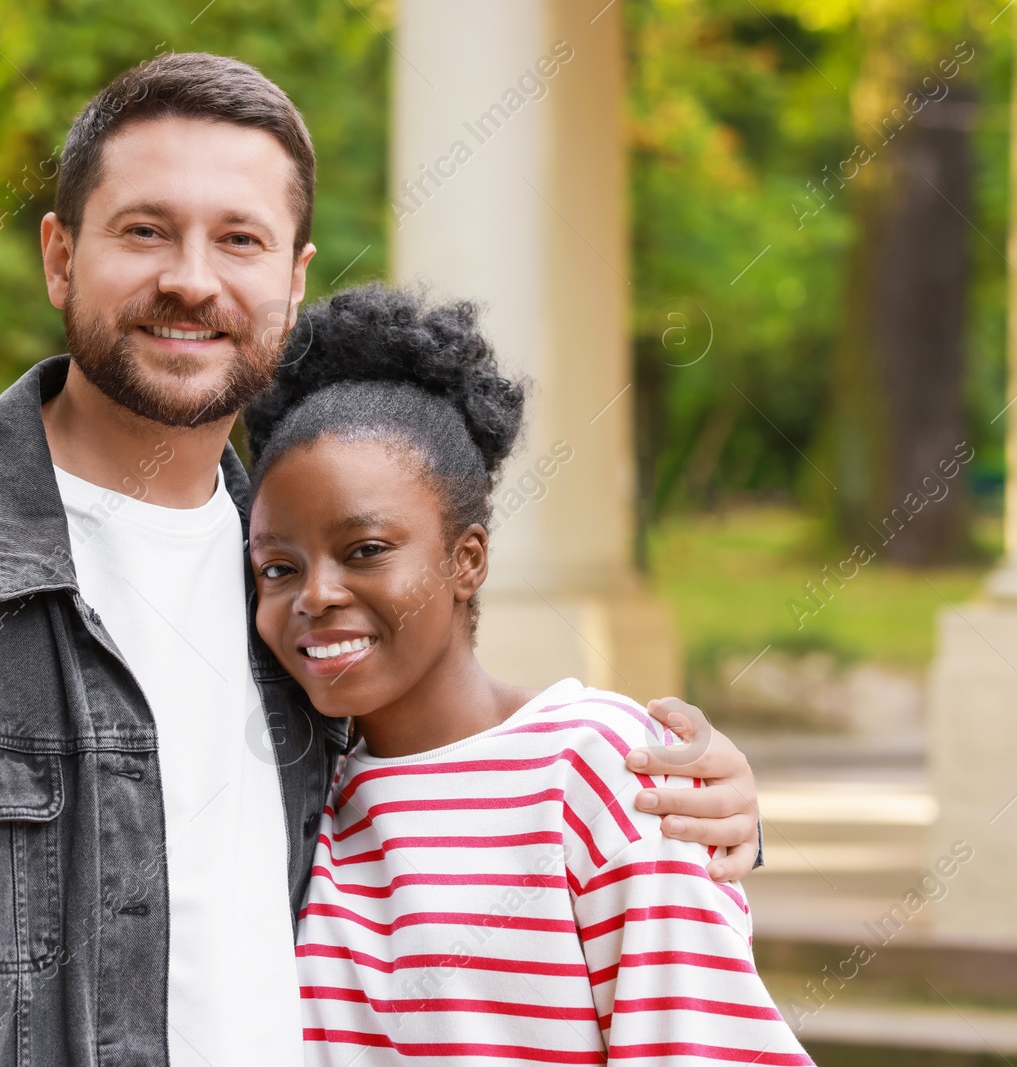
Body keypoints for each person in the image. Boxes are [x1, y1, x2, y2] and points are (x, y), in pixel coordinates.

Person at [0, 53, 763, 1065]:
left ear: (291, 282)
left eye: (237, 240)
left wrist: (697, 810)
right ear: (61, 255)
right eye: (145, 231)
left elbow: (465, 774)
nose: (190, 281)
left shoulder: (299, 586)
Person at [245, 286, 810, 1065]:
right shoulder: (294, 796)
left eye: (366, 549)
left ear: (465, 558)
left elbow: (696, 1041)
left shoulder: (599, 766)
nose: (315, 595)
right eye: (279, 566)